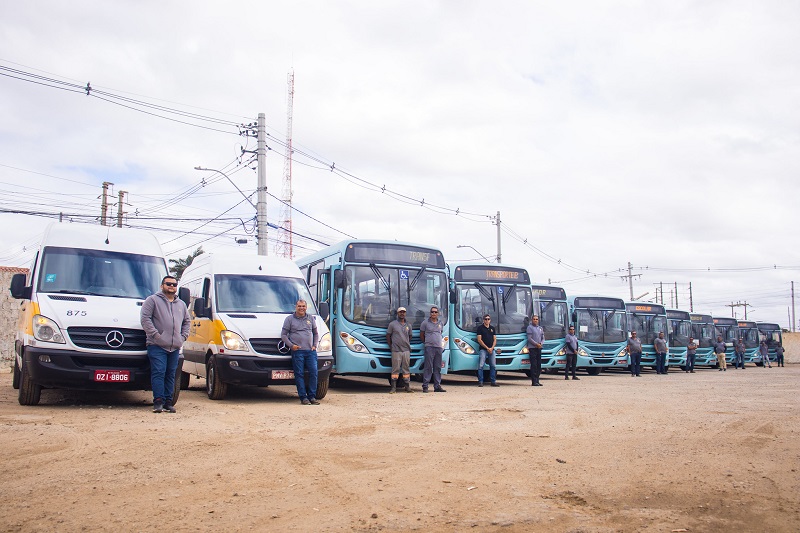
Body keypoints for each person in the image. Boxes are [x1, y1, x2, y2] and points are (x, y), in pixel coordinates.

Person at [140, 275, 190, 413]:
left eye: (174, 284)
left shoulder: (181, 304)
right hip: (157, 346)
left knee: (171, 374)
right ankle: (158, 401)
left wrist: (183, 337)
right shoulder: (152, 300)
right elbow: (145, 319)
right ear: (162, 285)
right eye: (168, 284)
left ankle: (168, 401)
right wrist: (156, 336)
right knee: (158, 372)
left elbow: (187, 322)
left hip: (174, 347)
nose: (171, 286)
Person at [281, 300, 320, 405]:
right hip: (298, 351)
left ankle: (312, 396)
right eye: (299, 306)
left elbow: (315, 333)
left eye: (303, 306)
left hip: (310, 352)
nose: (301, 308)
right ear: (296, 307)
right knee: (299, 374)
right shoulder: (289, 319)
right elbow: (284, 335)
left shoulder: (310, 318)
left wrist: (315, 345)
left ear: (306, 307)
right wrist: (291, 346)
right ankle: (303, 398)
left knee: (314, 373)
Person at [386, 307, 413, 393]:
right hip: (396, 350)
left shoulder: (409, 325)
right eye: (400, 312)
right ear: (397, 314)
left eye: (403, 312)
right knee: (395, 369)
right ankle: (393, 388)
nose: (402, 314)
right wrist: (391, 346)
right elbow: (388, 335)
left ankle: (407, 387)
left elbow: (410, 336)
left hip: (406, 350)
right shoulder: (392, 324)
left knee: (406, 370)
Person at [420, 306, 446, 393]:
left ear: (438, 313)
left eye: (435, 312)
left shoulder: (440, 323)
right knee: (428, 367)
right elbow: (422, 335)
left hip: (438, 347)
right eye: (432, 312)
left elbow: (440, 333)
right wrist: (427, 342)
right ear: (430, 313)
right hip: (429, 347)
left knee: (437, 367)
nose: (433, 313)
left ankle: (437, 386)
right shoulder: (425, 323)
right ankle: (425, 386)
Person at [476, 314, 498, 387]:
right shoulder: (480, 328)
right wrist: (487, 348)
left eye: (488, 319)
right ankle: (480, 381)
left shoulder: (492, 328)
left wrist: (492, 348)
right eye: (485, 319)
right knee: (481, 366)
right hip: (483, 350)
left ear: (490, 320)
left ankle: (493, 381)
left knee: (493, 366)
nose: (487, 320)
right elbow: (479, 340)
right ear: (483, 320)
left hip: (492, 350)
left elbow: (495, 339)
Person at [526, 315, 544, 386]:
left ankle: (537, 380)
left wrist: (540, 344)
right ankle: (534, 381)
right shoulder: (529, 328)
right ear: (532, 320)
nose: (535, 320)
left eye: (537, 319)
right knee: (534, 365)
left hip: (539, 348)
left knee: (539, 365)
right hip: (532, 348)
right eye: (534, 319)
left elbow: (543, 338)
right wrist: (536, 344)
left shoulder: (540, 328)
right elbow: (529, 338)